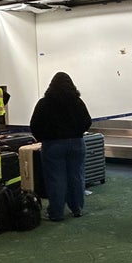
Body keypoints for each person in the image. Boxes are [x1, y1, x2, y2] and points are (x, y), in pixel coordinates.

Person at [28, 72, 92, 222]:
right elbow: (87, 121)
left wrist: (43, 137)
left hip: (53, 145)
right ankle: (77, 208)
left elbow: (34, 125)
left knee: (56, 179)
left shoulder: (44, 103)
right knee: (76, 176)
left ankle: (56, 213)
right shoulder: (77, 102)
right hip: (76, 143)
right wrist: (77, 132)